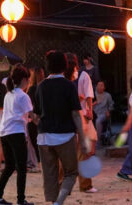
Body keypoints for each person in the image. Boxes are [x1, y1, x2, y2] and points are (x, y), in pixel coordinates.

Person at [34, 50, 90, 205]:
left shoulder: (41, 86)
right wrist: (83, 139)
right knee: (71, 173)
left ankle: (53, 202)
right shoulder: (69, 86)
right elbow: (76, 115)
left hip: (44, 137)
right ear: (65, 66)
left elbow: (36, 115)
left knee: (50, 175)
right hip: (65, 135)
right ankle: (59, 202)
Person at [0, 64, 36, 205]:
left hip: (5, 132)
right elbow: (33, 117)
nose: (29, 82)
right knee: (21, 167)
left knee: (10, 166)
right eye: (28, 80)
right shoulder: (23, 96)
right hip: (16, 133)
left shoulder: (9, 94)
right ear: (24, 79)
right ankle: (21, 200)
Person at [67, 53, 97, 193]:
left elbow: (88, 96)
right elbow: (89, 96)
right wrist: (89, 111)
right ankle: (85, 185)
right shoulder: (83, 76)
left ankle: (62, 184)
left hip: (66, 118)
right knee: (83, 151)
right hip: (80, 116)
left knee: (64, 152)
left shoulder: (57, 79)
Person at [26, 67, 45, 168]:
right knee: (35, 142)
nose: (42, 75)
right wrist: (34, 117)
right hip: (35, 118)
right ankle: (37, 162)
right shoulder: (33, 89)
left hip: (40, 117)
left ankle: (38, 162)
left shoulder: (43, 87)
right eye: (40, 73)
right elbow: (31, 105)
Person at [93, 81, 114, 146]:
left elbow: (111, 105)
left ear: (104, 87)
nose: (99, 87)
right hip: (94, 113)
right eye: (98, 85)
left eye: (101, 85)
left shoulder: (107, 95)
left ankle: (98, 141)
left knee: (98, 121)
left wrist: (108, 111)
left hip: (103, 114)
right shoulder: (93, 95)